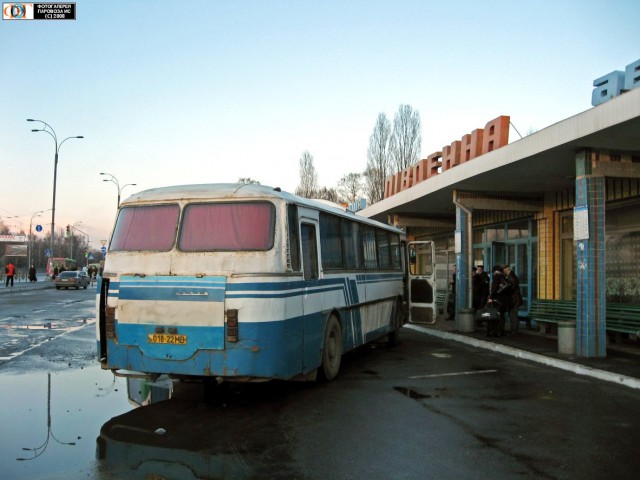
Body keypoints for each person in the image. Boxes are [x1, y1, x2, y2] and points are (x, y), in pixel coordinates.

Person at [487, 265, 509, 336]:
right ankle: (501, 331)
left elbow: (494, 289)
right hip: (503, 300)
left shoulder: (496, 277)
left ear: (495, 271)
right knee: (501, 315)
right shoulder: (503, 277)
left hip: (497, 300)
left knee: (495, 315)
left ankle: (495, 331)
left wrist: (491, 298)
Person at [503, 265, 523, 334]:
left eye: (504, 271)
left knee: (513, 315)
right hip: (514, 299)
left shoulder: (511, 277)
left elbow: (511, 289)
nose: (504, 272)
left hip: (514, 300)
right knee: (513, 314)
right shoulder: (512, 276)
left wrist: (504, 289)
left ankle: (514, 330)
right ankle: (514, 329)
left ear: (506, 270)